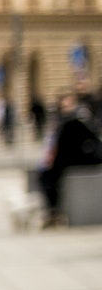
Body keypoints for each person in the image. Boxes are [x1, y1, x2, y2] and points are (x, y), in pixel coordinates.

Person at [40, 93, 101, 226]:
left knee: (47, 177)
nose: (65, 107)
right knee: (46, 176)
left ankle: (53, 210)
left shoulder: (75, 120)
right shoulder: (65, 120)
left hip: (74, 160)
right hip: (71, 160)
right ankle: (53, 209)